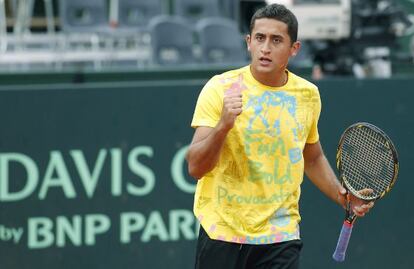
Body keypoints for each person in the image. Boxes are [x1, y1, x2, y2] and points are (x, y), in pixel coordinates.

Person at [186, 4, 374, 269]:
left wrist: (343, 197)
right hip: (223, 233)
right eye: (260, 38)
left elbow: (312, 157)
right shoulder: (220, 89)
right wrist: (223, 126)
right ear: (249, 42)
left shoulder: (307, 95)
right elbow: (196, 167)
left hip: (280, 235)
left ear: (294, 49)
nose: (265, 48)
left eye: (276, 40)